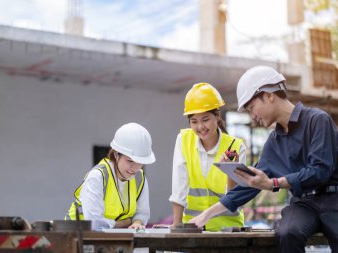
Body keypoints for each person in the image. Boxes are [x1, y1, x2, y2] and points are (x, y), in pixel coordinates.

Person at [189, 66, 338, 252]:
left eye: (252, 108)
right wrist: (205, 216)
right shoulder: (273, 143)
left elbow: (320, 170)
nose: (253, 117)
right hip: (304, 204)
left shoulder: (318, 120)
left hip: (334, 199)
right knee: (286, 232)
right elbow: (251, 184)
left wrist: (273, 183)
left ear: (268, 95)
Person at [168, 82, 247, 231]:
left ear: (217, 116)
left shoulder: (235, 147)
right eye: (194, 121)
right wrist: (177, 226)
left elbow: (236, 199)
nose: (200, 127)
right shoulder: (184, 140)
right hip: (192, 229)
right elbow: (179, 185)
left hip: (228, 231)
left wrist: (231, 170)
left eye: (205, 119)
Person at [65, 122, 156, 230]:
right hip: (77, 233)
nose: (135, 168)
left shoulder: (140, 179)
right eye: (130, 161)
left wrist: (136, 222)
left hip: (110, 236)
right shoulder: (97, 177)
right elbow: (95, 223)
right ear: (116, 154)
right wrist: (121, 224)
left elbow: (142, 213)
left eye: (140, 163)